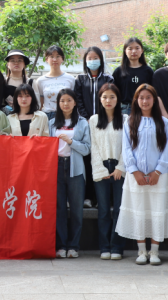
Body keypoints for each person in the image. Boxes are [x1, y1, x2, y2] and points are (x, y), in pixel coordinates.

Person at [116, 84, 168, 266]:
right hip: (136, 177)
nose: (145, 101)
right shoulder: (130, 121)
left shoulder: (163, 122)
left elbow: (167, 149)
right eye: (141, 97)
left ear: (154, 100)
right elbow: (126, 148)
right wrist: (135, 171)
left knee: (157, 212)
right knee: (139, 211)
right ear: (136, 100)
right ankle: (141, 250)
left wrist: (158, 171)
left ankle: (154, 251)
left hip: (158, 177)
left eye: (148, 97)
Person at [49, 88, 90, 259]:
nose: (65, 104)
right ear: (58, 103)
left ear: (74, 103)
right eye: (62, 101)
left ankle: (73, 246)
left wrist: (71, 142)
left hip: (76, 169)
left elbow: (87, 149)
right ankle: (61, 246)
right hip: (56, 167)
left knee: (76, 209)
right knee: (59, 209)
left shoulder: (82, 122)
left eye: (69, 100)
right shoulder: (52, 123)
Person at [89, 83, 127, 260]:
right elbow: (94, 146)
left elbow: (128, 146)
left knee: (119, 209)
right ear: (100, 99)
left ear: (118, 99)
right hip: (101, 168)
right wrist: (100, 169)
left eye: (112, 97)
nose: (108, 100)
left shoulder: (125, 119)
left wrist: (120, 167)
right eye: (104, 97)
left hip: (120, 168)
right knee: (103, 210)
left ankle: (117, 247)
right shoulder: (94, 120)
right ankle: (104, 247)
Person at [75, 46, 114, 208]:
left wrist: (101, 118)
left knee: (104, 159)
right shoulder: (80, 79)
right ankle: (89, 197)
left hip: (104, 124)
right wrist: (87, 119)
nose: (92, 61)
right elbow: (78, 100)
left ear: (101, 59)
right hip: (86, 124)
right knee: (89, 160)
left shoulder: (108, 79)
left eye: (95, 58)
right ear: (85, 61)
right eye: (89, 58)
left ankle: (104, 198)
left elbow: (111, 99)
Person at [111, 37, 153, 115]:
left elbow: (153, 92)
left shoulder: (148, 71)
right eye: (130, 49)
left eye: (137, 48)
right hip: (125, 110)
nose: (134, 51)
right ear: (125, 51)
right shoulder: (119, 71)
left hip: (144, 108)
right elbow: (113, 92)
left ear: (142, 50)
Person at [33, 45, 76, 120]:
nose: (55, 59)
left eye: (58, 56)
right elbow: (40, 103)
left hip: (66, 115)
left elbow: (74, 100)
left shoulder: (70, 79)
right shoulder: (40, 80)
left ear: (62, 58)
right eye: (51, 56)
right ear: (46, 59)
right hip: (48, 116)